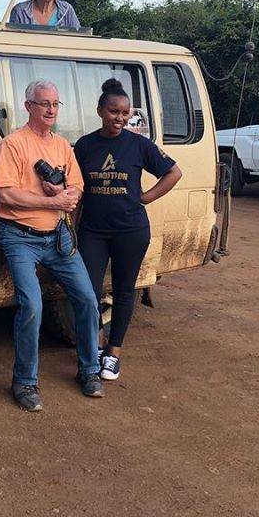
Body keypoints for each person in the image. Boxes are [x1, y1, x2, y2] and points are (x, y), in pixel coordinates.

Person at [0, 80, 103, 411]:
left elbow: (78, 185)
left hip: (58, 235)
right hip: (19, 235)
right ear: (29, 106)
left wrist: (67, 194)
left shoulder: (62, 146)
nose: (51, 110)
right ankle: (24, 382)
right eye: (44, 104)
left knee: (87, 298)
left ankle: (89, 370)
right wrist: (51, 201)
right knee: (32, 305)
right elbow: (6, 195)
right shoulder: (13, 144)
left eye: (55, 104)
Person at [74, 80, 183, 381]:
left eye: (125, 113)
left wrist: (146, 197)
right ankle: (97, 344)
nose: (119, 118)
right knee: (88, 292)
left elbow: (173, 172)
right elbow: (77, 188)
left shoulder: (139, 145)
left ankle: (113, 352)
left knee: (124, 291)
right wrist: (71, 224)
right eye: (113, 112)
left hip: (130, 230)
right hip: (92, 231)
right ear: (100, 111)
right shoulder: (85, 145)